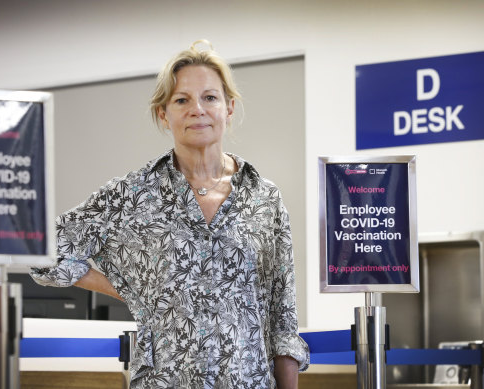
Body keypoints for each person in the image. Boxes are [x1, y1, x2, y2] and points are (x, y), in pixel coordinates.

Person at [30, 40, 309, 389]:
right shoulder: (131, 195)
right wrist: (132, 289)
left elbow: (282, 318)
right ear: (164, 114)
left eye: (210, 97)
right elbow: (44, 249)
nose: (197, 109)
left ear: (229, 107)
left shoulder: (264, 198)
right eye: (182, 100)